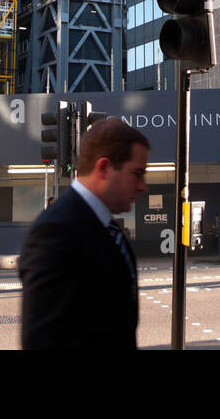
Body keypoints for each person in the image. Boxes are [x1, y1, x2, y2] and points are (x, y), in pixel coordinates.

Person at [18, 118, 150, 350]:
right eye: (137, 173)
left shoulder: (108, 227)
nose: (143, 186)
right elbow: (42, 341)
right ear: (104, 168)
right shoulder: (54, 233)